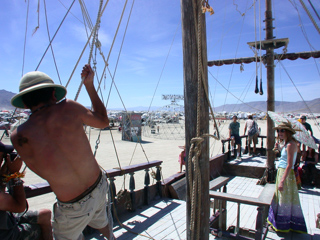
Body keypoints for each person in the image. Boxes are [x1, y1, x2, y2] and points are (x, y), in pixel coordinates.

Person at [10, 64, 115, 240]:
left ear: (25, 103)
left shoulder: (19, 136)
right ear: (53, 93)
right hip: (98, 185)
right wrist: (89, 85)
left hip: (72, 205)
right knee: (101, 218)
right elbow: (103, 121)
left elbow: (41, 171)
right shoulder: (70, 108)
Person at [0, 143, 52, 240]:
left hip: (7, 221)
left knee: (45, 214)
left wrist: (3, 178)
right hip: (6, 235)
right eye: (3, 156)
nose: (5, 159)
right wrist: (15, 175)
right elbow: (20, 207)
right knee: (39, 227)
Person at [267, 121, 307, 233]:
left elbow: (290, 164)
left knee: (283, 200)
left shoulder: (290, 145)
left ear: (288, 132)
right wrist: (279, 149)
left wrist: (282, 181)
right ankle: (283, 224)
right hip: (282, 171)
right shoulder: (288, 144)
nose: (279, 132)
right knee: (283, 198)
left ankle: (281, 226)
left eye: (282, 130)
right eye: (278, 130)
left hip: (285, 173)